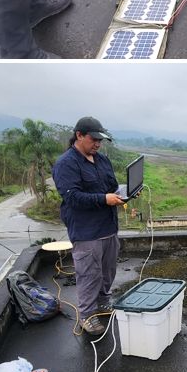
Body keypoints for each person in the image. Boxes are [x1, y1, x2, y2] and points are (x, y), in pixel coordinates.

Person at [52, 116, 126, 336]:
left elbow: (112, 186)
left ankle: (104, 302)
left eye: (100, 140)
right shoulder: (66, 163)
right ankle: (86, 315)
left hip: (108, 227)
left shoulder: (102, 160)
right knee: (88, 274)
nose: (97, 144)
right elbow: (73, 197)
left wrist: (124, 193)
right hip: (86, 231)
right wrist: (104, 199)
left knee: (108, 270)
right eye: (93, 139)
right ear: (79, 135)